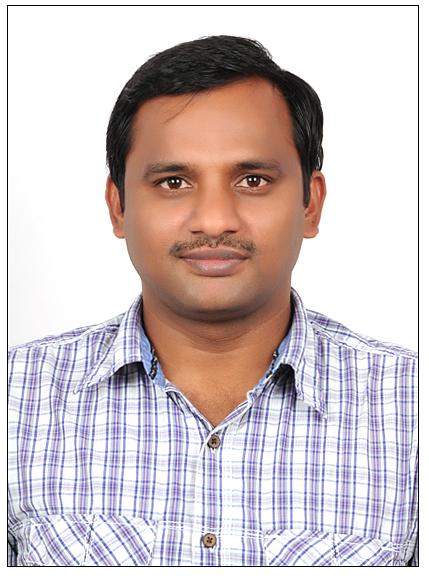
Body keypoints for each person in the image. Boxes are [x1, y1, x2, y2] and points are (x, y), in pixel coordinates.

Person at [8, 35, 417, 567]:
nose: (215, 219)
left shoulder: (411, 411)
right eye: (174, 181)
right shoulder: (15, 400)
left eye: (253, 179)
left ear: (310, 204)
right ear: (119, 207)